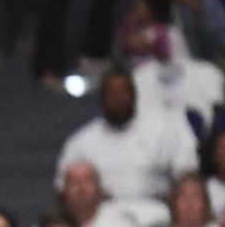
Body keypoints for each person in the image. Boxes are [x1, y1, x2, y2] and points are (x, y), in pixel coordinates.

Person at [56, 70, 200, 211]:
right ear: (101, 98)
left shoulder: (163, 129)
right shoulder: (81, 142)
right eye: (111, 93)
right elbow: (62, 188)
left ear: (134, 95)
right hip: (102, 217)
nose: (118, 98)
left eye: (123, 92)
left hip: (158, 212)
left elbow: (187, 173)